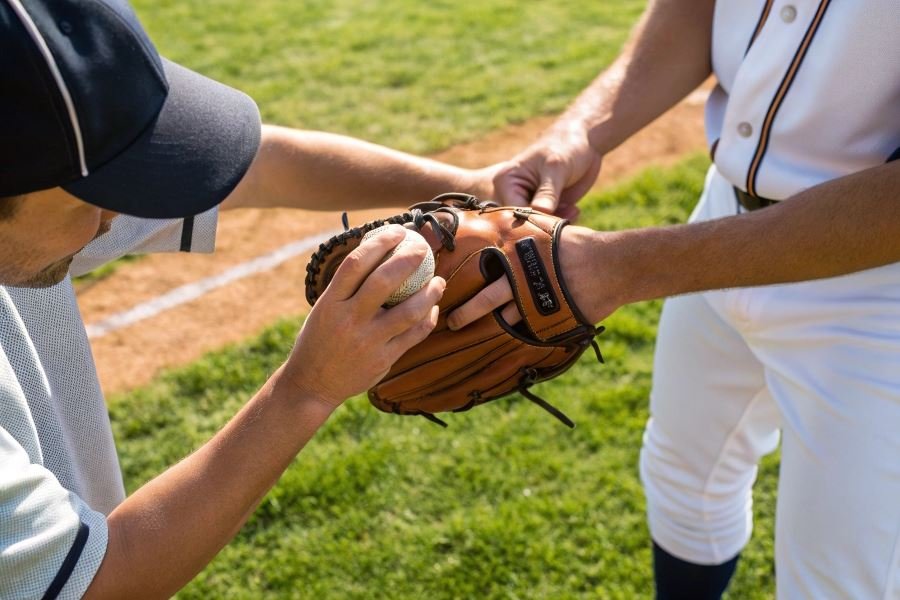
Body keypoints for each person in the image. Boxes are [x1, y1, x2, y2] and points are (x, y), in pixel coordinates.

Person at [0, 1, 494, 598]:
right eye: (96, 196)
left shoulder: (32, 203)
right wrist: (306, 390)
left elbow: (261, 168)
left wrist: (472, 187)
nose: (115, 216)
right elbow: (94, 584)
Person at [448, 0, 900, 597]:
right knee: (685, 477)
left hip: (880, 288)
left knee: (841, 578)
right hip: (722, 212)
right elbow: (696, 8)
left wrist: (620, 267)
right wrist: (578, 131)